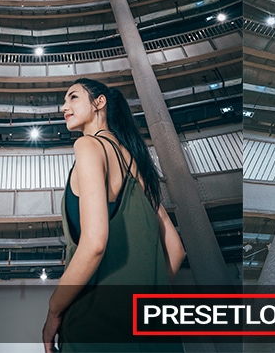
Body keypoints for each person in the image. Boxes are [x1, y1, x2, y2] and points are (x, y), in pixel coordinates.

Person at [43, 78, 185, 353]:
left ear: (99, 102)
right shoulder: (136, 166)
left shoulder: (88, 147)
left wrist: (53, 311)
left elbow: (95, 243)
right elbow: (176, 250)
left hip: (96, 325)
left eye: (73, 97)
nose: (63, 107)